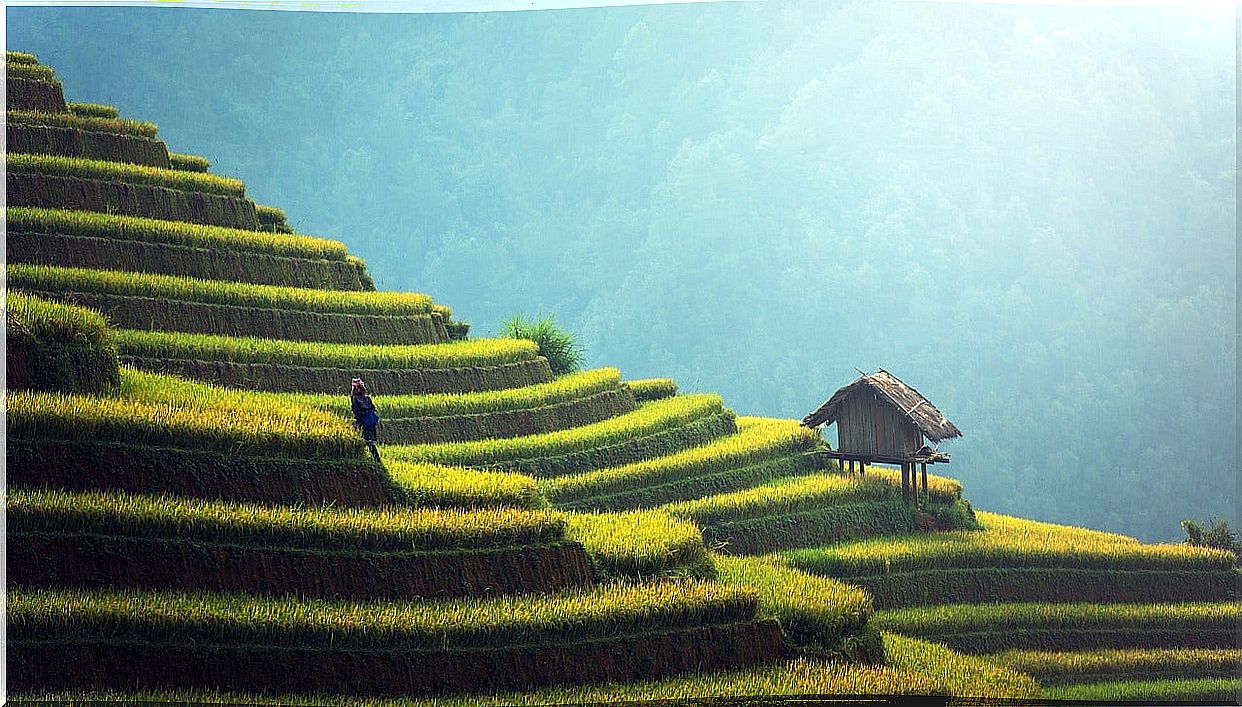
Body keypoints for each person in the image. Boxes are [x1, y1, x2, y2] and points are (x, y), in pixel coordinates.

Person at [350, 377, 381, 462]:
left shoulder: (354, 398)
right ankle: (376, 459)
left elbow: (355, 410)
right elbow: (373, 408)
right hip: (370, 421)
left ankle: (360, 458)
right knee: (370, 441)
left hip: (362, 422)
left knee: (362, 440)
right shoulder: (367, 398)